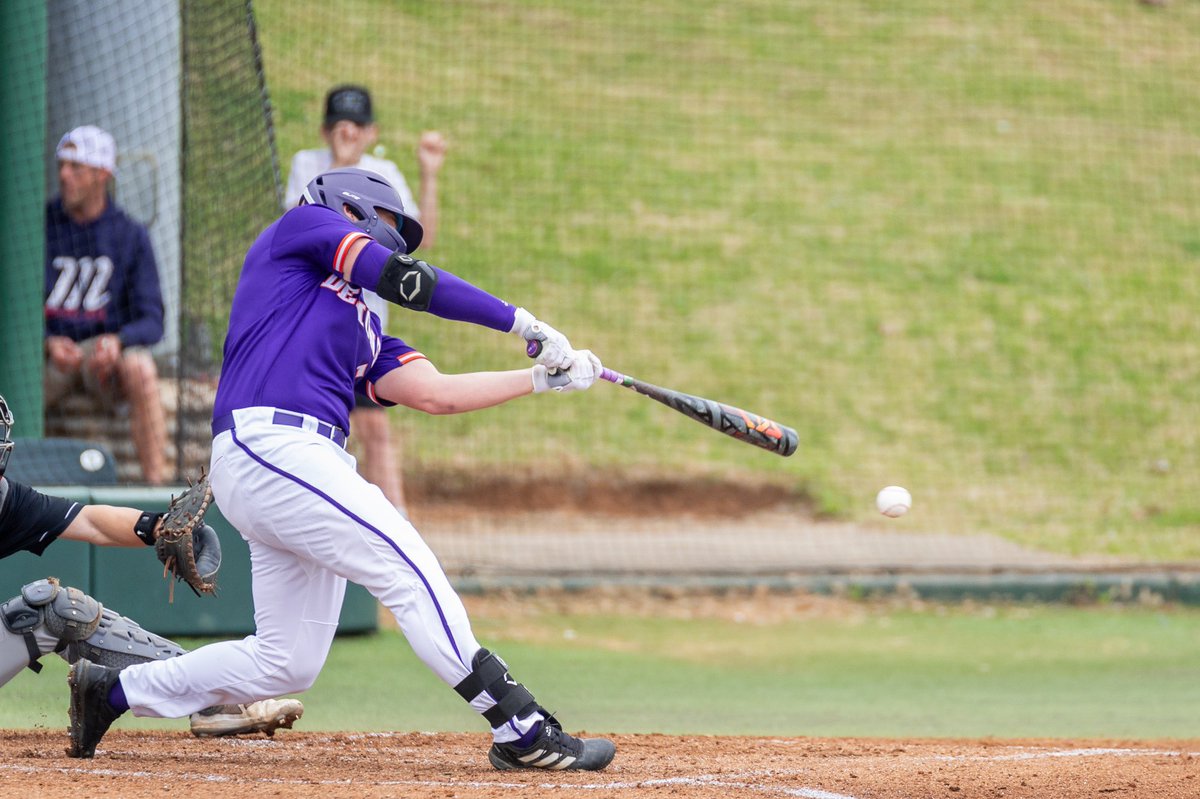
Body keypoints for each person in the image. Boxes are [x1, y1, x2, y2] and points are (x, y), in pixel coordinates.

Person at [66, 167, 616, 771]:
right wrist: (522, 323)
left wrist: (541, 378)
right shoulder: (302, 226)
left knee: (288, 661)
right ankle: (521, 726)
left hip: (296, 465)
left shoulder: (362, 322)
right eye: (386, 228)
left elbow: (435, 393)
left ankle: (112, 690)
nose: (392, 242)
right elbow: (405, 279)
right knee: (408, 569)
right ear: (352, 207)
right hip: (273, 444)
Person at [0, 393, 303, 737]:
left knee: (61, 610)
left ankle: (210, 699)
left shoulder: (5, 500)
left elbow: (90, 521)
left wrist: (159, 527)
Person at [284, 85, 448, 515]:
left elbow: (420, 239)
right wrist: (341, 164)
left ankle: (400, 527)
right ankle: (329, 518)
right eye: (340, 126)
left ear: (372, 131)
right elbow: (306, 226)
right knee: (320, 429)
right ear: (324, 130)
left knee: (374, 426)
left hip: (362, 329)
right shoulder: (307, 164)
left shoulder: (385, 171)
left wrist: (429, 172)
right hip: (311, 328)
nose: (349, 133)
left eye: (357, 127)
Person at [43, 125, 169, 485]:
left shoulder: (129, 234)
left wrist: (118, 341)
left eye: (76, 168)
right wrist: (46, 341)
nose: (64, 175)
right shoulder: (41, 225)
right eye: (62, 167)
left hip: (102, 356)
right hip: (50, 355)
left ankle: (156, 491)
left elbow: (153, 320)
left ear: (102, 175)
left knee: (141, 368)